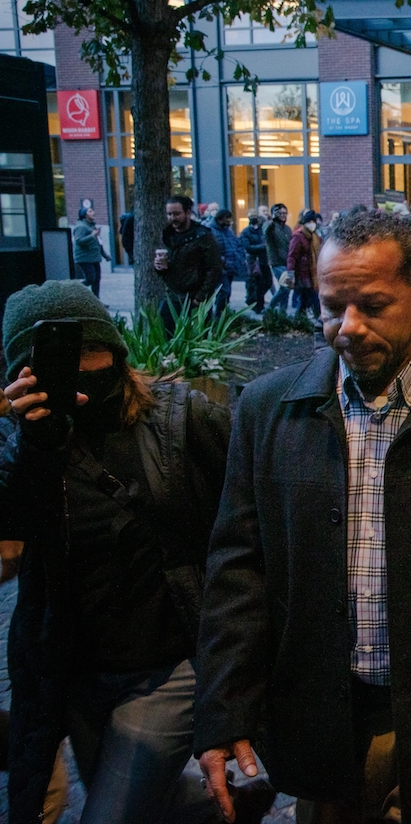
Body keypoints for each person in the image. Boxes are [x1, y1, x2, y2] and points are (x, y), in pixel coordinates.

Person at [194, 208, 411, 824]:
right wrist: (224, 709)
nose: (348, 328)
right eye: (333, 306)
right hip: (323, 728)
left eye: (372, 306)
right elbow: (238, 573)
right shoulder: (267, 411)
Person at [0, 282, 273, 824]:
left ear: (116, 354)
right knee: (139, 798)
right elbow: (15, 531)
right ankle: (227, 809)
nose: (77, 372)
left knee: (109, 815)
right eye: (55, 360)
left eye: (89, 352)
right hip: (79, 672)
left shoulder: (180, 420)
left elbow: (255, 514)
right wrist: (36, 447)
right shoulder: (18, 447)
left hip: (169, 668)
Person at [154, 195, 222, 329]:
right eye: (169, 214)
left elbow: (214, 268)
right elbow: (170, 266)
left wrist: (200, 298)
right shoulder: (168, 235)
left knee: (197, 341)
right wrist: (159, 267)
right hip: (173, 296)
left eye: (177, 214)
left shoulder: (203, 236)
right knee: (167, 336)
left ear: (188, 213)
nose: (172, 218)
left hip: (195, 298)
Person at [287, 208, 323, 325]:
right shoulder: (298, 237)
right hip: (302, 275)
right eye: (310, 222)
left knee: (304, 300)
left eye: (313, 222)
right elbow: (292, 256)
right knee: (313, 298)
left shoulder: (315, 237)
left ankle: (299, 320)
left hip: (312, 274)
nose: (312, 225)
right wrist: (290, 273)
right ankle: (318, 320)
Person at [211, 208, 246, 316]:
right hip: (220, 267)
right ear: (221, 219)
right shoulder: (211, 231)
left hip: (231, 265)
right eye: (228, 219)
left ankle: (223, 313)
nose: (230, 221)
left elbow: (237, 244)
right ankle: (218, 314)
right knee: (224, 290)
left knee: (227, 292)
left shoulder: (228, 231)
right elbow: (212, 250)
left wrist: (239, 257)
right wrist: (222, 261)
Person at [72, 205, 110, 298]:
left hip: (94, 258)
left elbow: (98, 242)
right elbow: (79, 241)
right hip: (85, 258)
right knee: (90, 279)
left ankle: (96, 302)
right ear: (85, 215)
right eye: (90, 211)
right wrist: (92, 235)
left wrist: (105, 255)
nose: (93, 212)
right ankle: (74, 289)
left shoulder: (92, 226)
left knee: (96, 280)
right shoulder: (81, 226)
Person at [264, 204, 294, 314]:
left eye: (284, 213)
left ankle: (282, 313)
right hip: (277, 262)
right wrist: (272, 219)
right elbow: (266, 231)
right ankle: (271, 308)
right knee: (285, 287)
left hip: (287, 262)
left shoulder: (287, 229)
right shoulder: (271, 227)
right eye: (280, 213)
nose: (283, 216)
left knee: (287, 289)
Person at [240, 214, 271, 313]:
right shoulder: (246, 232)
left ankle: (256, 302)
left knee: (267, 282)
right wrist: (263, 247)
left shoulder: (262, 231)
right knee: (257, 284)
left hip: (263, 260)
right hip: (253, 261)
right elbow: (248, 247)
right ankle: (257, 305)